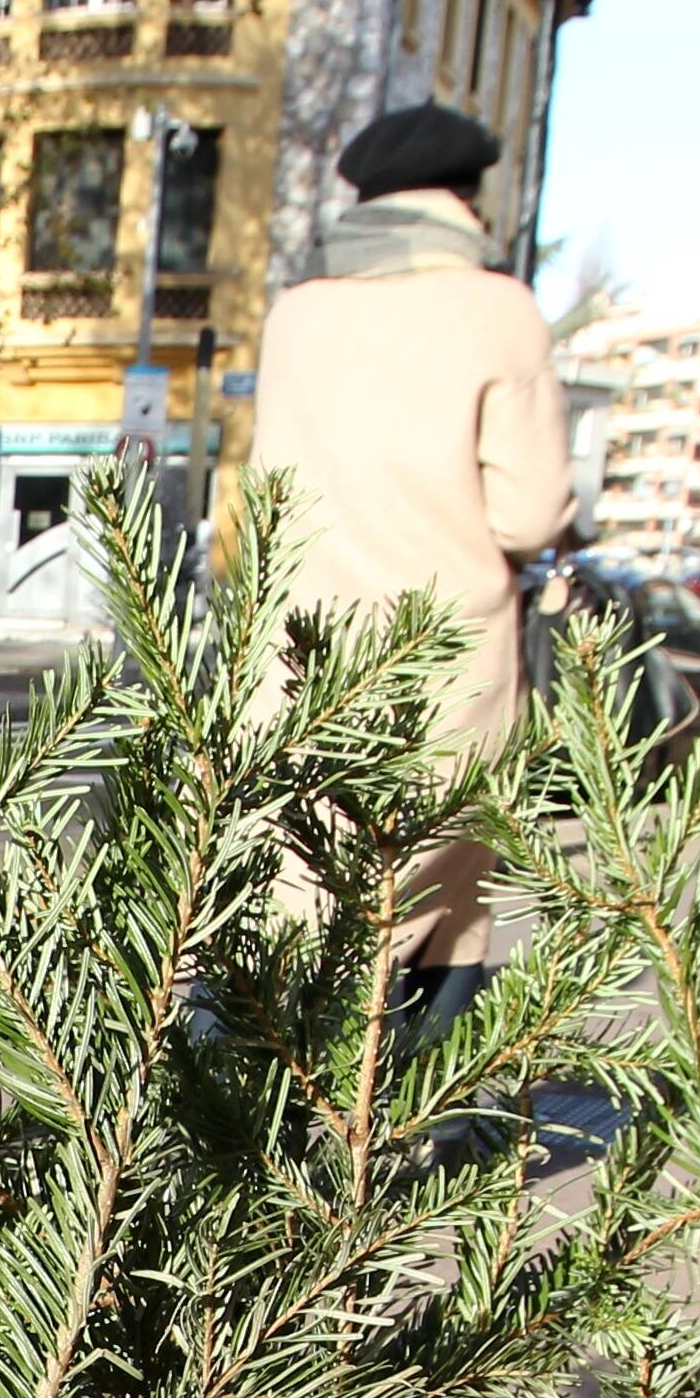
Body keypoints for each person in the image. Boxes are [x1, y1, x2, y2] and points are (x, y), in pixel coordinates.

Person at [244, 102, 573, 977]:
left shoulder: (296, 316)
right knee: (436, 908)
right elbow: (529, 516)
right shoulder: (500, 310)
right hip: (447, 663)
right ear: (466, 202)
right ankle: (414, 1112)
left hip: (301, 664)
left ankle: (267, 1103)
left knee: (299, 900)